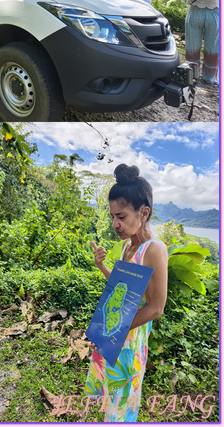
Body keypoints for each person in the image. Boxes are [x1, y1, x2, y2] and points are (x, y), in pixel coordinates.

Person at [85, 164, 168, 422]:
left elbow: (156, 308)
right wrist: (102, 266)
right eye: (112, 216)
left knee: (121, 407)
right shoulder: (127, 246)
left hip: (128, 340)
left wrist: (116, 331)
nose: (115, 224)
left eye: (121, 216)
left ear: (144, 213)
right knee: (110, 396)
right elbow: (120, 288)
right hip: (114, 331)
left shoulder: (154, 250)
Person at [182, 0, 219, 85]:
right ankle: (210, 77)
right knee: (213, 46)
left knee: (192, 45)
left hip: (194, 13)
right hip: (214, 14)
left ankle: (191, 74)